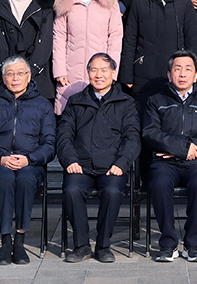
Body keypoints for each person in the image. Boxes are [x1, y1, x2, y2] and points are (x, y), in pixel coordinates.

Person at [0, 56, 56, 266]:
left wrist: (29, 159)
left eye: (20, 73)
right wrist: (0, 158)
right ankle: (5, 240)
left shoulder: (43, 105)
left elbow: (50, 144)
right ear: (3, 78)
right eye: (10, 74)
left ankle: (20, 240)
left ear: (29, 76)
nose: (15, 78)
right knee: (6, 177)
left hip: (30, 164)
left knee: (25, 179)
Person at [56, 52, 141, 263]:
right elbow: (64, 135)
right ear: (88, 73)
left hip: (112, 167)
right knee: (72, 190)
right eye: (93, 70)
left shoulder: (126, 102)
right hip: (81, 166)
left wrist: (121, 163)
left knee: (112, 191)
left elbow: (132, 138)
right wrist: (70, 160)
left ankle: (103, 245)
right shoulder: (76, 101)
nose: (98, 75)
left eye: (104, 70)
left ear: (113, 73)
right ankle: (81, 245)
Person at [144, 50, 197, 263]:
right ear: (169, 74)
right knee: (159, 184)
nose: (182, 74)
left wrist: (192, 149)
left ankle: (192, 243)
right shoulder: (156, 100)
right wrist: (182, 148)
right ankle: (168, 243)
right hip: (165, 162)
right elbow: (150, 132)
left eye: (188, 69)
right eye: (177, 69)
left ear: (196, 75)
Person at [120, 0, 197, 98]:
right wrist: (126, 73)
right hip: (144, 74)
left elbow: (193, 41)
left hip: (176, 75)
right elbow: (130, 40)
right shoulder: (139, 3)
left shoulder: (184, 4)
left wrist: (195, 73)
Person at [52, 0, 123, 114]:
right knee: (70, 115)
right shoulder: (65, 0)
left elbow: (115, 38)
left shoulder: (109, 2)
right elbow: (59, 38)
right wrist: (60, 71)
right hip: (71, 71)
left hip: (101, 72)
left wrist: (112, 70)